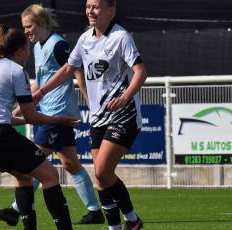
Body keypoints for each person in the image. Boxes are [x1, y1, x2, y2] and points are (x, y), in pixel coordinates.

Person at [31, 0, 147, 229]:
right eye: (87, 6)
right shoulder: (85, 39)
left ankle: (132, 219)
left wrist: (125, 97)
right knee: (101, 179)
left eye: (96, 6)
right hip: (98, 117)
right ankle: (118, 226)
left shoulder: (121, 37)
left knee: (103, 170)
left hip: (123, 113)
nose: (90, 11)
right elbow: (67, 69)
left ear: (111, 9)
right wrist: (42, 92)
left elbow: (140, 72)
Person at [0, 4, 104, 226]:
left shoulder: (57, 44)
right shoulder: (39, 46)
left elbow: (75, 69)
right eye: (24, 27)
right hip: (50, 112)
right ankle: (94, 210)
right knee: (70, 164)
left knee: (32, 162)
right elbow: (41, 81)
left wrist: (90, 101)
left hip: (57, 113)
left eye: (29, 26)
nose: (26, 31)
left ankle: (14, 210)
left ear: (41, 24)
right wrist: (23, 105)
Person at [0, 24, 77, 230]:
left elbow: (6, 118)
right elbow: (32, 116)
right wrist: (58, 120)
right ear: (19, 51)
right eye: (27, 48)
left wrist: (31, 118)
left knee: (24, 176)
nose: (29, 53)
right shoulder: (16, 70)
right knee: (50, 175)